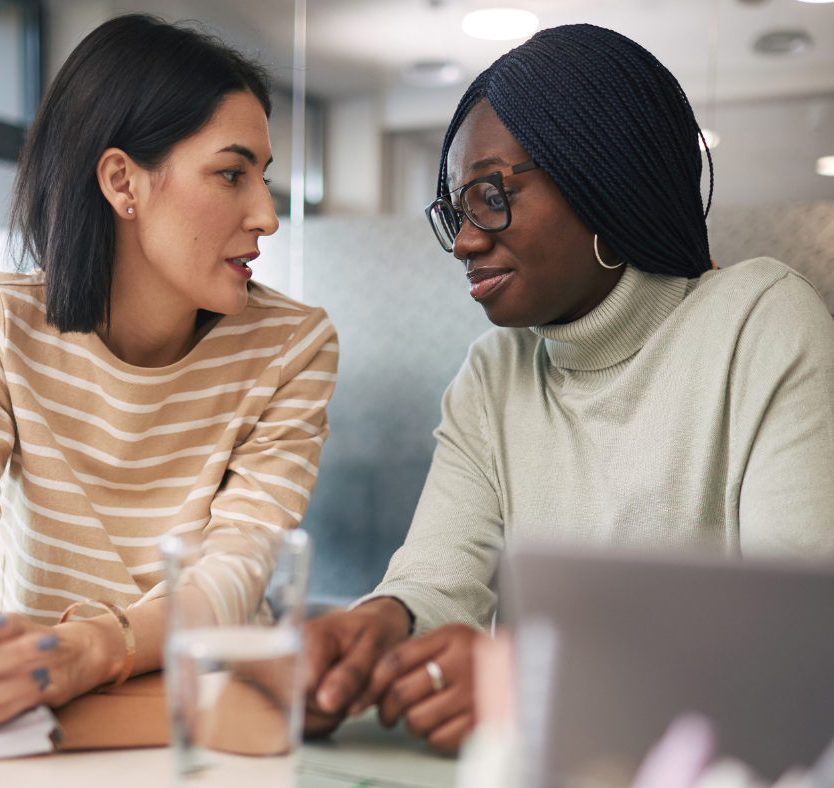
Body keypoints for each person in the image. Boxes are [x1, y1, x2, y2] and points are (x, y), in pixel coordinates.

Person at [303, 23, 834, 753]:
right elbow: (436, 582)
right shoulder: (495, 373)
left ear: (602, 180)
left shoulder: (760, 322)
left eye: (491, 195)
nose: (463, 239)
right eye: (457, 210)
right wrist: (376, 624)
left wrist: (539, 678)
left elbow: (802, 645)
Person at [0, 14, 338, 734]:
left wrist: (93, 648)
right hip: (38, 713)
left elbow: (240, 567)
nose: (267, 215)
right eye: (232, 173)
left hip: (212, 713)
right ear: (122, 181)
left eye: (263, 177)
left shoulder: (291, 345)